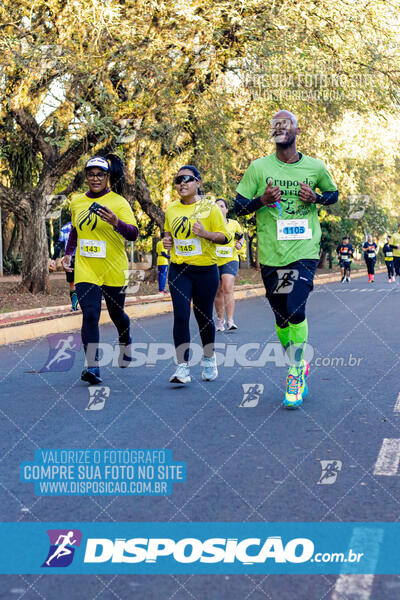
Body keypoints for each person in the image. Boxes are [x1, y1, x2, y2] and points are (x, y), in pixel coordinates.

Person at [235, 110, 339, 409]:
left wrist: (316, 198)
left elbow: (333, 193)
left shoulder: (315, 166)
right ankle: (298, 360)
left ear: (296, 129)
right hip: (271, 254)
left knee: (295, 309)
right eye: (275, 124)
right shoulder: (258, 168)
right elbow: (239, 207)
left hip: (304, 251)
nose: (281, 127)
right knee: (281, 317)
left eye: (286, 123)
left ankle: (295, 371)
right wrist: (262, 201)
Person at [62, 154, 139, 385]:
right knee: (91, 314)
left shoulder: (119, 202)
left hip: (113, 267)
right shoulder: (76, 202)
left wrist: (116, 222)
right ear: (86, 177)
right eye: (91, 174)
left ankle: (125, 337)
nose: (95, 179)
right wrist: (68, 253)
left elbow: (134, 233)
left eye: (100, 175)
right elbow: (75, 229)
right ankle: (92, 366)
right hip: (86, 268)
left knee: (117, 314)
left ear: (107, 177)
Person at [163, 166, 231, 384]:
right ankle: (182, 367)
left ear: (198, 183)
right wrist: (167, 242)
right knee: (181, 316)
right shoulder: (171, 208)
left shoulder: (210, 208)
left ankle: (209, 359)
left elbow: (225, 237)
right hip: (179, 269)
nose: (182, 183)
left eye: (187, 179)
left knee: (203, 317)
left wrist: (205, 234)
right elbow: (168, 234)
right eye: (178, 180)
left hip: (205, 270)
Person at [214, 198, 244, 331]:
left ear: (226, 209)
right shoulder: (210, 225)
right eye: (216, 207)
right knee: (218, 291)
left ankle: (230, 320)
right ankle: (220, 319)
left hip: (230, 259)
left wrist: (240, 244)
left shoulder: (234, 224)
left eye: (221, 206)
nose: (219, 209)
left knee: (227, 286)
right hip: (214, 261)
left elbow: (241, 237)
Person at [50, 220, 79, 310]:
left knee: (72, 283)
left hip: (69, 258)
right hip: (82, 258)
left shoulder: (64, 228)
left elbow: (60, 245)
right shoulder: (83, 223)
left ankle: (74, 305)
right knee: (84, 281)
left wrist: (53, 258)